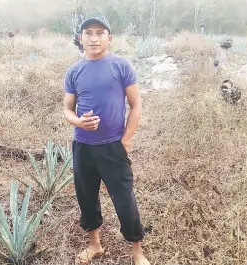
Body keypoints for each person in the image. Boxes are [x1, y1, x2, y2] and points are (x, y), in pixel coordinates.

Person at [62, 15, 150, 265]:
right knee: (86, 196)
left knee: (124, 198)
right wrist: (77, 121)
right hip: (83, 147)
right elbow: (68, 109)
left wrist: (126, 140)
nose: (94, 38)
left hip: (113, 146)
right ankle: (95, 245)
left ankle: (137, 251)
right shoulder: (74, 71)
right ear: (81, 39)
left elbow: (135, 106)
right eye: (88, 33)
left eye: (100, 33)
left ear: (109, 38)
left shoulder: (121, 66)